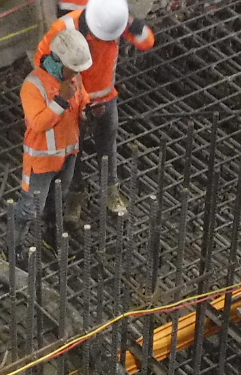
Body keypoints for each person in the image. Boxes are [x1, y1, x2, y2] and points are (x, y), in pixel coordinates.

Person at [39, 0, 156, 221]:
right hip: (74, 105)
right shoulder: (65, 29)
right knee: (75, 152)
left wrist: (136, 26)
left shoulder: (114, 21)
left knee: (107, 146)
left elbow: (147, 42)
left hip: (105, 99)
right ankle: (76, 194)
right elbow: (42, 62)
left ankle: (111, 190)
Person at [15, 28, 92, 245]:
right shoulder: (33, 86)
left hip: (68, 155)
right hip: (42, 160)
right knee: (30, 208)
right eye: (71, 69)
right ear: (58, 61)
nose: (75, 74)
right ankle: (13, 247)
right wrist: (60, 100)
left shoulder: (74, 78)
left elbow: (82, 99)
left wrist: (88, 109)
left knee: (56, 200)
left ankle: (51, 235)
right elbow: (38, 123)